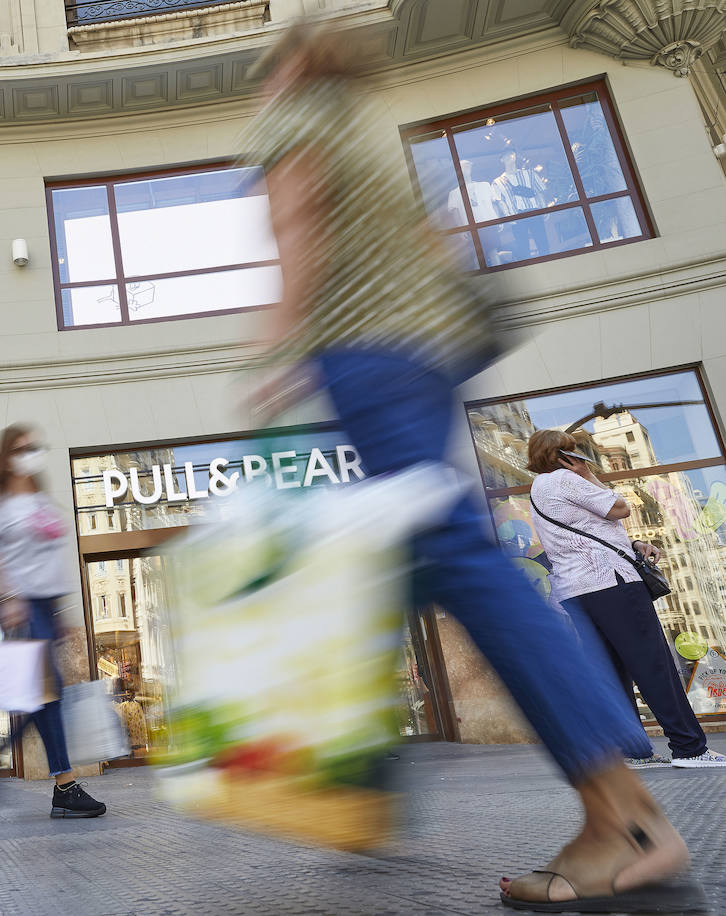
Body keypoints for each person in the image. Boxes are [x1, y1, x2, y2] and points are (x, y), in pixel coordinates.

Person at [243, 23, 702, 913]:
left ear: (289, 65)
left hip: (366, 358)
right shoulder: (363, 119)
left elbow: (296, 223)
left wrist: (278, 351)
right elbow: (434, 241)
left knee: (462, 562)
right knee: (414, 560)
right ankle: (373, 776)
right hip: (424, 355)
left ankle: (626, 818)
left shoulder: (294, 114)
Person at [526, 430, 726, 769]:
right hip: (610, 584)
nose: (580, 460)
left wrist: (632, 546)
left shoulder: (538, 489)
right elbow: (621, 508)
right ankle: (689, 748)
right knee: (654, 665)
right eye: (573, 454)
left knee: (612, 674)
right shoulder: (565, 478)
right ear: (562, 456)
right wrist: (589, 474)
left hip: (577, 590)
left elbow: (582, 534)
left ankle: (632, 751)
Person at [0, 423, 106, 818]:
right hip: (20, 604)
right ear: (6, 456)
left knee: (47, 694)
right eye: (19, 448)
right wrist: (10, 594)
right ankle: (64, 785)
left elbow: (53, 561)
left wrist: (63, 612)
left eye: (33, 446)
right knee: (50, 691)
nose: (28, 453)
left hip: (47, 607)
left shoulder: (43, 501)